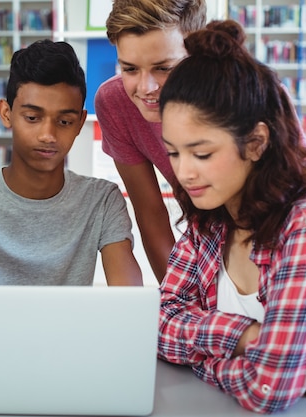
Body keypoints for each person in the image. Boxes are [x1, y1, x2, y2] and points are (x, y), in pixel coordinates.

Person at [157, 20, 306, 417]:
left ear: (255, 143)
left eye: (201, 154)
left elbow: (271, 389)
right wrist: (242, 335)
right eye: (173, 153)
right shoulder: (208, 223)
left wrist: (200, 357)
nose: (184, 173)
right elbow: (159, 324)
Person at [0, 40, 143, 287]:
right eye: (32, 117)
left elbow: (129, 301)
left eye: (64, 122)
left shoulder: (102, 201)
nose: (47, 135)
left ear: (81, 122)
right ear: (6, 113)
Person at [95, 0, 207, 283]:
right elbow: (150, 214)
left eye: (164, 68)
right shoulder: (116, 102)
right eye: (130, 69)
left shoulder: (250, 93)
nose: (146, 88)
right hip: (207, 247)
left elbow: (300, 199)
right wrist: (178, 302)